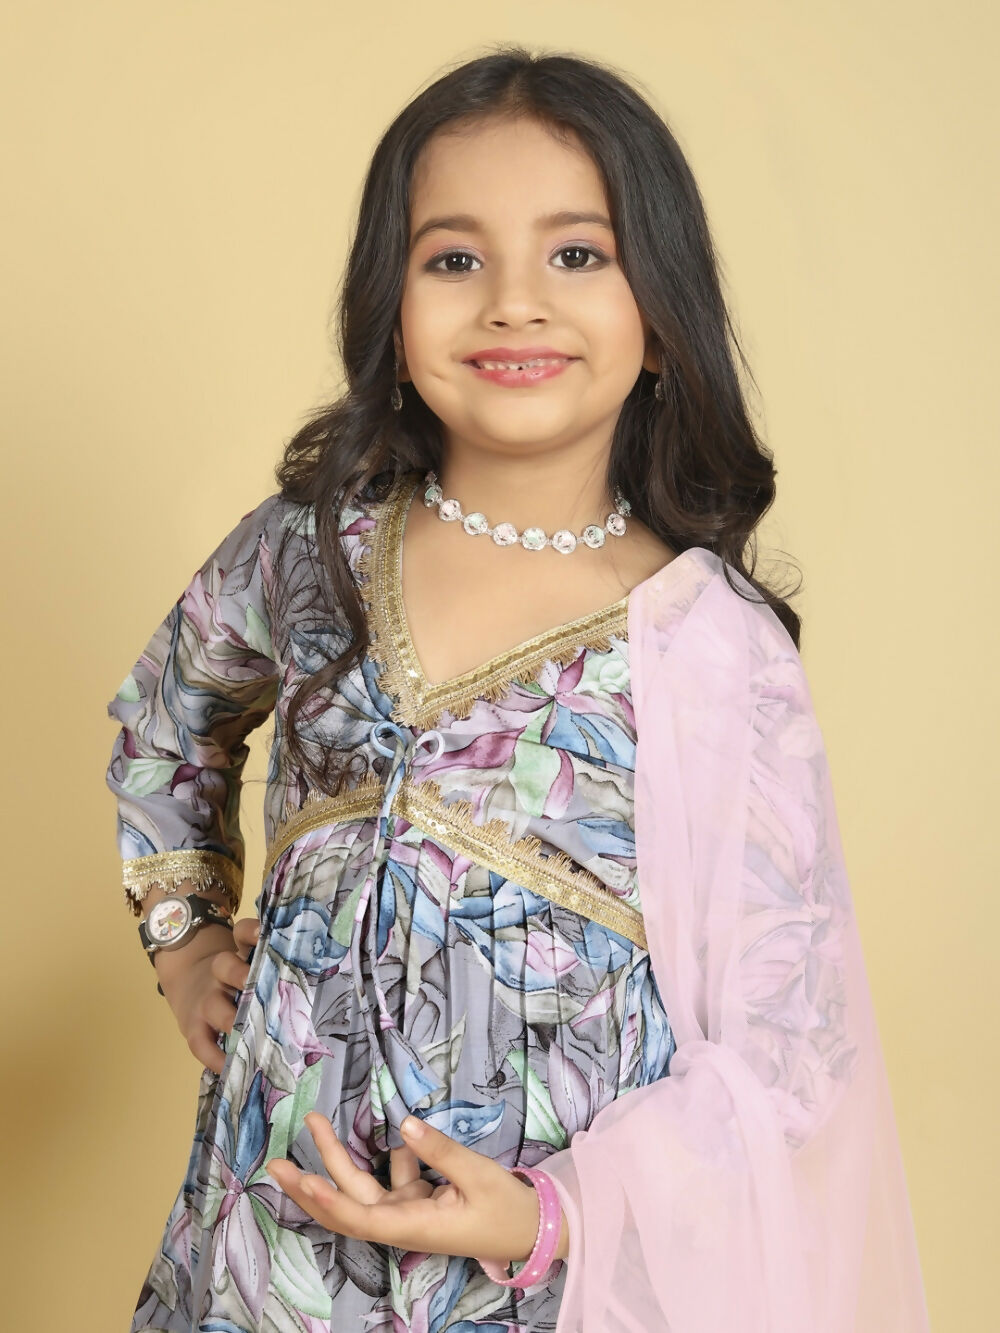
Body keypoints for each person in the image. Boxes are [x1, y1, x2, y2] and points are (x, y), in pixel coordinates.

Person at [105, 47, 930, 1333]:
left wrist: (548, 1218)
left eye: (576, 254)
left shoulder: (706, 647)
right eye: (453, 259)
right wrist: (186, 941)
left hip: (532, 1280)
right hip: (268, 1249)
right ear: (388, 309)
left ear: (661, 316)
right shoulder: (310, 550)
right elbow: (171, 721)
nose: (511, 304)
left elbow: (788, 1048)